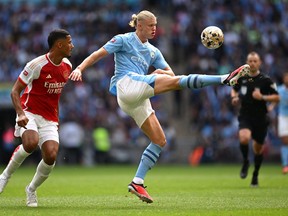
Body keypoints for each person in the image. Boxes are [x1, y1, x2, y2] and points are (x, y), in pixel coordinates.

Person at [69, 10, 250, 203]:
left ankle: (137, 182)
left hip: (137, 98)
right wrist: (80, 68)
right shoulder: (123, 40)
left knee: (160, 140)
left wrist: (160, 72)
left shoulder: (154, 51)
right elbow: (98, 54)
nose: (155, 29)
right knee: (178, 81)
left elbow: (170, 74)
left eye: (156, 25)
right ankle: (224, 78)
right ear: (139, 26)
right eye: (151, 25)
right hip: (126, 85)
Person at [0, 29, 74, 207]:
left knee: (51, 156)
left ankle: (31, 190)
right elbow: (15, 91)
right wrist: (20, 113)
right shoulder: (36, 65)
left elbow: (54, 96)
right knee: (31, 143)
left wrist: (56, 121)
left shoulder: (67, 66)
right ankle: (5, 176)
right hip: (29, 112)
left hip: (50, 118)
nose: (72, 45)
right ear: (59, 44)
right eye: (69, 42)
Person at [230, 51, 279, 187]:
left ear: (259, 63)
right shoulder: (242, 78)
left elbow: (277, 97)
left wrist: (263, 97)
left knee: (258, 149)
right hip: (245, 115)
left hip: (261, 118)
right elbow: (234, 89)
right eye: (250, 61)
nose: (252, 63)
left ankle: (255, 174)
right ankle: (246, 161)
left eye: (254, 61)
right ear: (247, 62)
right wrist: (234, 97)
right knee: (244, 138)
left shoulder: (266, 80)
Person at [277, 72, 288, 174]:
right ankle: (285, 165)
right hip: (283, 117)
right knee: (285, 141)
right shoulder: (279, 90)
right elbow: (274, 101)